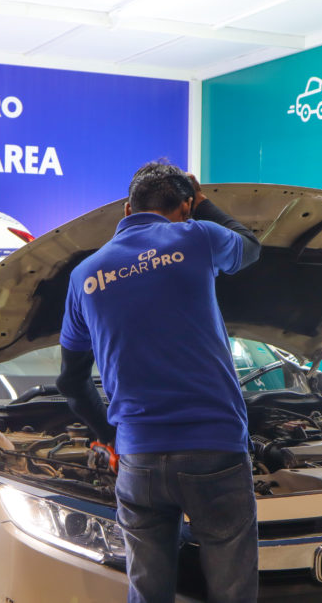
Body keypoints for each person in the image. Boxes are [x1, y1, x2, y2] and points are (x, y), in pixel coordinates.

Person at [56, 161, 261, 603]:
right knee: (233, 592)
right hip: (215, 450)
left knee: (147, 594)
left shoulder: (84, 276)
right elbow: (250, 246)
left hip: (139, 457)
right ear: (185, 207)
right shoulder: (198, 236)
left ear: (126, 209)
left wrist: (113, 437)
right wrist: (205, 205)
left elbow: (70, 381)